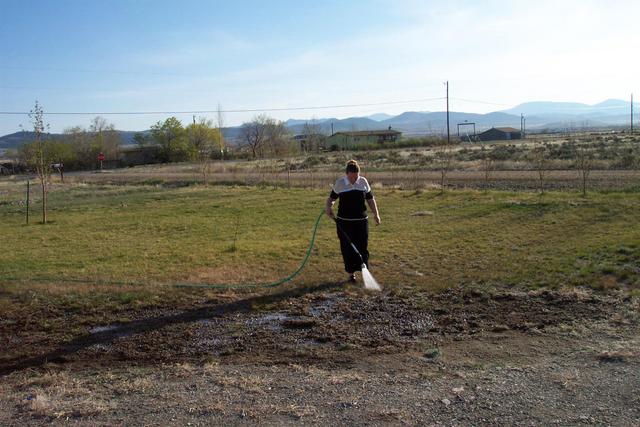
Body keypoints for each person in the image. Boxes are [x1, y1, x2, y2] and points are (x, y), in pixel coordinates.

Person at [325, 160, 381, 283]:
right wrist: (329, 207)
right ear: (347, 174)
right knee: (347, 248)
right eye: (351, 177)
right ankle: (351, 274)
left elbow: (370, 199)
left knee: (362, 246)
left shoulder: (363, 182)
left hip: (361, 221)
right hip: (344, 223)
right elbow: (331, 199)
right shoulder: (340, 183)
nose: (354, 180)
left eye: (356, 177)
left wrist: (376, 214)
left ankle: (364, 269)